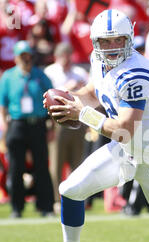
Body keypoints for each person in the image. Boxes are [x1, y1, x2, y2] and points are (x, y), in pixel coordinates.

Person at [31, 9, 149, 242]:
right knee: (70, 190)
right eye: (105, 41)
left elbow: (124, 129)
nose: (111, 47)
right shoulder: (99, 63)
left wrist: (81, 114)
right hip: (126, 151)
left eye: (118, 40)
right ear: (95, 42)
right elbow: (92, 92)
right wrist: (69, 100)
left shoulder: (136, 71)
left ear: (130, 38)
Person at [0, 40, 55, 218]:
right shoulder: (8, 77)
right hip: (17, 124)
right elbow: (3, 105)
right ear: (16, 58)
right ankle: (17, 207)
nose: (27, 59)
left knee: (41, 166)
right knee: (16, 167)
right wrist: (5, 126)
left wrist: (52, 124)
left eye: (29, 56)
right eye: (23, 56)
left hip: (37, 124)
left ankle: (45, 206)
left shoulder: (40, 75)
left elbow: (52, 99)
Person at [44, 42, 89, 212]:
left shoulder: (78, 72)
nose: (66, 59)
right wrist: (65, 89)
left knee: (77, 161)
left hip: (77, 120)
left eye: (68, 54)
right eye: (62, 55)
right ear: (56, 56)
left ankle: (76, 197)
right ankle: (57, 199)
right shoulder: (50, 71)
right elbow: (48, 94)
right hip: (57, 122)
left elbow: (91, 92)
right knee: (56, 161)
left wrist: (79, 89)